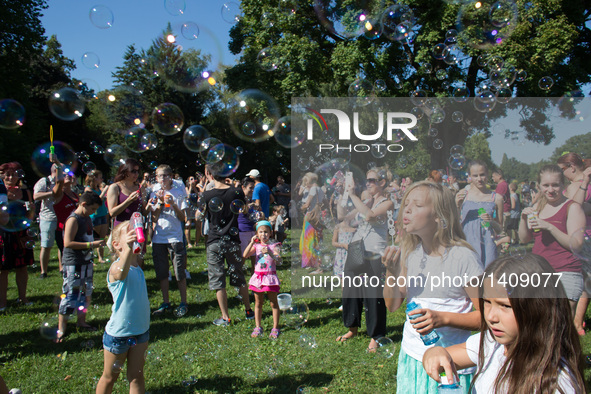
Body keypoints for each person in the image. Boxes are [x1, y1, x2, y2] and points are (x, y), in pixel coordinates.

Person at [422, 253, 585, 393]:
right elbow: (443, 358)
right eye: (487, 302)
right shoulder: (491, 343)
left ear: (537, 307)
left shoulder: (556, 382)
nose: (491, 316)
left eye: (505, 306)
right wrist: (436, 352)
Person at [382, 181, 483, 393]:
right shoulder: (410, 252)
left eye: (417, 205)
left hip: (449, 362)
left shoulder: (463, 257)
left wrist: (443, 318)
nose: (406, 209)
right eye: (406, 203)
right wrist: (391, 273)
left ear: (439, 217)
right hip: (413, 357)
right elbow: (392, 305)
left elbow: (487, 317)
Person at [336, 169, 393, 352]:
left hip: (374, 252)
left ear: (382, 182)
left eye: (372, 180)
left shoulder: (388, 202)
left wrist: (353, 195)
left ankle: (376, 335)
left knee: (373, 294)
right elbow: (342, 216)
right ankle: (352, 328)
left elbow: (369, 215)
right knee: (350, 290)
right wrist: (344, 193)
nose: (367, 183)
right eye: (366, 180)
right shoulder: (366, 200)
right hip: (357, 249)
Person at [519, 164, 586, 316]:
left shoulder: (572, 207)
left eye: (555, 185)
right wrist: (523, 219)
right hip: (539, 271)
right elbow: (524, 239)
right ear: (538, 186)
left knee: (560, 325)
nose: (550, 190)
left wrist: (550, 227)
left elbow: (577, 244)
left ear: (563, 185)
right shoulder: (538, 207)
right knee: (540, 324)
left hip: (565, 272)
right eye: (546, 185)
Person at [96, 221, 150, 394]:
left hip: (140, 332)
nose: (134, 235)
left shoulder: (138, 268)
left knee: (136, 376)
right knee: (110, 377)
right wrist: (127, 249)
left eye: (136, 232)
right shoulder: (115, 268)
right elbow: (120, 274)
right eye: (129, 233)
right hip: (119, 334)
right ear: (116, 244)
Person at [200, 171, 253, 326]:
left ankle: (225, 317)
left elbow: (199, 215)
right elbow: (243, 210)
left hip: (214, 240)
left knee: (218, 279)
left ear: (209, 174)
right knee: (239, 276)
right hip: (232, 240)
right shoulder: (236, 192)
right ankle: (248, 311)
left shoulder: (207, 195)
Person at [56, 191, 105, 342]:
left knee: (86, 293)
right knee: (70, 294)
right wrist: (91, 244)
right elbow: (67, 243)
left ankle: (81, 321)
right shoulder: (73, 219)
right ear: (83, 204)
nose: (93, 212)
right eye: (92, 209)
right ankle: (61, 328)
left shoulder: (86, 218)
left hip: (86, 261)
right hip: (73, 263)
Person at [557, 152, 591, 335]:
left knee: (585, 279)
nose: (563, 174)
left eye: (563, 169)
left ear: (571, 166)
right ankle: (575, 321)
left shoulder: (584, 184)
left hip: (585, 237)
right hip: (571, 236)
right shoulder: (571, 186)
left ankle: (577, 322)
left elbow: (578, 207)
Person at [148, 165, 188, 315]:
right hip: (159, 237)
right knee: (162, 272)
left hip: (175, 237)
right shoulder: (154, 192)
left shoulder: (178, 192)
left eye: (165, 175)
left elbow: (183, 217)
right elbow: (153, 217)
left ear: (171, 176)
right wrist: (158, 202)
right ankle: (166, 302)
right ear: (156, 178)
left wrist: (173, 204)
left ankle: (184, 302)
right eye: (160, 176)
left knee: (179, 272)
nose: (163, 179)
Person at [0, 162, 35, 311]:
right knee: (4, 268)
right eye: (7, 174)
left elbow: (30, 217)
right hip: (3, 232)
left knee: (22, 266)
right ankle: (2, 302)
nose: (10, 177)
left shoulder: (25, 192)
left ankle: (23, 297)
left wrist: (32, 211)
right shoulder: (1, 192)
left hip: (21, 233)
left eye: (13, 174)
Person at [456, 161, 503, 267]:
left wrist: (490, 221)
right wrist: (457, 205)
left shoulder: (496, 198)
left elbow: (500, 228)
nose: (479, 179)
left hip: (487, 244)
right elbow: (455, 223)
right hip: (467, 242)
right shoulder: (463, 195)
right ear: (470, 176)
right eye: (475, 175)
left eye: (482, 175)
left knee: (486, 277)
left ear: (487, 174)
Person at [243, 220, 282, 338]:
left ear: (270, 233)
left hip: (270, 277)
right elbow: (245, 255)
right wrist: (251, 242)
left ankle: (275, 327)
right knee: (258, 303)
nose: (263, 234)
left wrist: (270, 252)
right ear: (257, 234)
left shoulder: (274, 246)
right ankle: (258, 326)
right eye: (261, 232)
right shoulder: (256, 246)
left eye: (266, 232)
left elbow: (279, 260)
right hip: (258, 278)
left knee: (273, 302)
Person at [33, 163, 63, 278]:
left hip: (61, 217)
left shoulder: (63, 182)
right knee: (46, 245)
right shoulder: (44, 181)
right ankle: (43, 271)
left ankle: (61, 268)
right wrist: (52, 193)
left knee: (62, 244)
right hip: (47, 217)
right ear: (55, 170)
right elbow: (35, 196)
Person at [106, 159, 142, 229]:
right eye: (133, 171)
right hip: (121, 228)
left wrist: (150, 205)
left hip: (138, 228)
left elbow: (143, 211)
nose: (136, 174)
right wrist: (128, 201)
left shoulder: (140, 187)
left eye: (138, 171)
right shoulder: (115, 187)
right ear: (125, 172)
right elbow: (112, 213)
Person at [85, 171, 109, 263]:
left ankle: (101, 258)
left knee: (102, 238)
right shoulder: (88, 189)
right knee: (93, 238)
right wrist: (104, 191)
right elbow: (97, 200)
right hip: (94, 215)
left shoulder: (98, 188)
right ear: (94, 178)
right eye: (100, 177)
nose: (102, 179)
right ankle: (90, 259)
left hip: (102, 213)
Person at [491, 169, 511, 235]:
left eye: (493, 176)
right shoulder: (504, 184)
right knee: (505, 230)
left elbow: (498, 199)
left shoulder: (501, 185)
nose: (492, 178)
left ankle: (503, 244)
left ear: (499, 176)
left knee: (501, 232)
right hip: (505, 211)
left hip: (503, 211)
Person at [184, 176, 199, 248]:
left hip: (195, 208)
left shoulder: (196, 188)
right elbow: (188, 196)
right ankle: (189, 243)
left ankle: (197, 242)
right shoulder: (186, 188)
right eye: (191, 179)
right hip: (188, 208)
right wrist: (190, 187)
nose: (193, 180)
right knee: (188, 225)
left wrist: (194, 188)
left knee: (198, 225)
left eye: (193, 179)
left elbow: (199, 196)